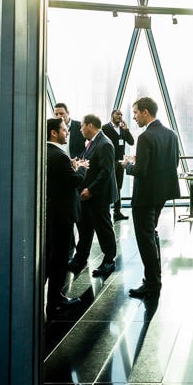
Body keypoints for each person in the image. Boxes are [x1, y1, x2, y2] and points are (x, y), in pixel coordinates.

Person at [123, 97, 181, 298]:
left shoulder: (145, 137)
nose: (135, 117)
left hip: (145, 195)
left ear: (145, 112)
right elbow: (173, 163)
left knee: (145, 237)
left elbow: (140, 171)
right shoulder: (171, 135)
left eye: (136, 113)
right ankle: (154, 277)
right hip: (162, 193)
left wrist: (127, 165)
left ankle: (152, 282)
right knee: (151, 232)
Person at [68, 114, 118, 278]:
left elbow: (106, 172)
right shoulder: (92, 143)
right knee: (85, 229)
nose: (80, 129)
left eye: (82, 126)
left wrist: (91, 190)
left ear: (90, 125)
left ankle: (109, 260)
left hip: (98, 197)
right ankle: (80, 259)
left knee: (103, 228)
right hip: (86, 197)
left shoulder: (104, 144)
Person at [45, 118, 85, 317]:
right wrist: (80, 169)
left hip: (52, 212)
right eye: (63, 130)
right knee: (59, 258)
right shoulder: (59, 156)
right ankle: (55, 300)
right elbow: (72, 182)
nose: (67, 132)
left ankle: (47, 296)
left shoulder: (45, 152)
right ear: (54, 132)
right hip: (62, 214)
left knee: (50, 255)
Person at [102, 108, 135, 221]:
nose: (120, 116)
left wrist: (126, 130)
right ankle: (105, 210)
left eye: (121, 114)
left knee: (118, 186)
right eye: (117, 114)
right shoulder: (105, 128)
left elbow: (131, 142)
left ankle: (117, 211)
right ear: (112, 115)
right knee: (108, 185)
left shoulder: (122, 129)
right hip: (110, 161)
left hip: (120, 162)